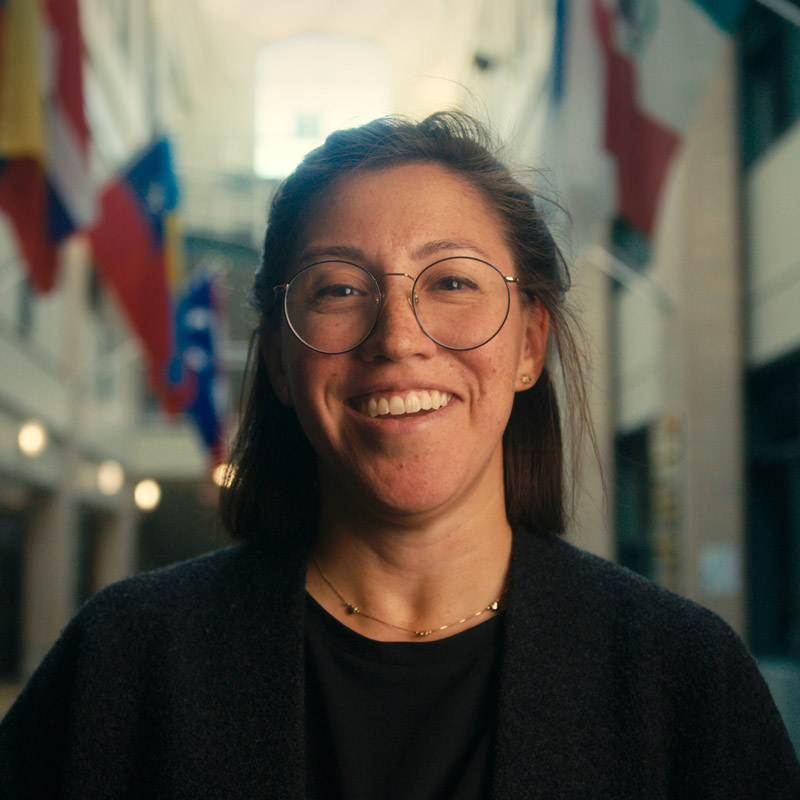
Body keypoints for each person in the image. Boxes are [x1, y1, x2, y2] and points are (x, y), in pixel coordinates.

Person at [1, 112, 799, 799]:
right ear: (278, 360)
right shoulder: (126, 660)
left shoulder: (685, 680)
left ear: (529, 344)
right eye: (339, 290)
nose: (399, 340)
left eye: (452, 281)